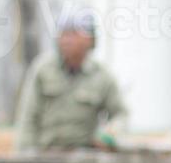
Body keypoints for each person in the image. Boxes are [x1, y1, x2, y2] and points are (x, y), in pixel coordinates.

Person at [14, 8, 128, 153]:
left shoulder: (102, 77)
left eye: (73, 34)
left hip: (85, 157)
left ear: (90, 40)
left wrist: (111, 132)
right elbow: (28, 118)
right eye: (63, 34)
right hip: (46, 155)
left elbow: (121, 114)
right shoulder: (43, 70)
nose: (66, 40)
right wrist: (25, 155)